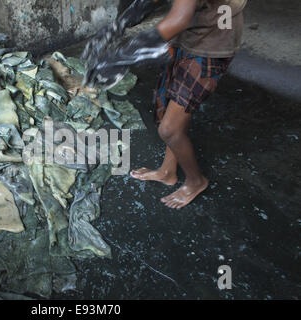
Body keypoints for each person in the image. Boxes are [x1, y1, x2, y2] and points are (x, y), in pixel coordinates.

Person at [83, 0, 247, 209]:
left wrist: (125, 55)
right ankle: (167, 171)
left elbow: (180, 18)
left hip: (211, 44)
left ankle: (195, 181)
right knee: (166, 105)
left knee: (169, 130)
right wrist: (121, 23)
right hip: (191, 31)